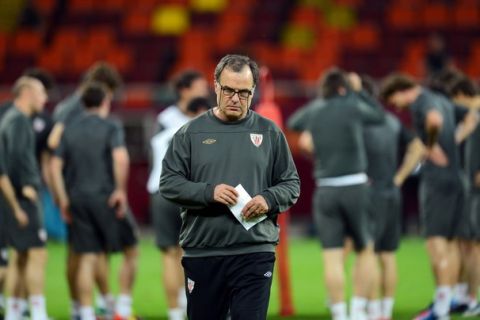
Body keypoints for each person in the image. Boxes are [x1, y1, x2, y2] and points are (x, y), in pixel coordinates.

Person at [160, 54, 300, 320]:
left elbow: (291, 183)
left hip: (255, 251)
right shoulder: (190, 134)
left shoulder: (270, 132)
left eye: (244, 92)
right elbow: (169, 183)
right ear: (215, 86)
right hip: (204, 252)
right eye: (228, 90)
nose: (235, 98)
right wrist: (208, 192)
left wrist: (268, 199)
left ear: (253, 91)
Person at [380, 73, 477, 320]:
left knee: (436, 243)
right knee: (452, 243)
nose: (397, 107)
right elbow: (471, 118)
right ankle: (451, 298)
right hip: (457, 178)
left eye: (394, 101)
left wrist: (432, 146)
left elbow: (433, 121)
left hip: (437, 180)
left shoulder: (422, 102)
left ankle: (441, 309)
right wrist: (454, 142)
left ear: (401, 90)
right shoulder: (441, 99)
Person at [48, 62, 138, 320]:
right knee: (125, 248)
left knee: (85, 253)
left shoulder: (66, 110)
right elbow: (120, 158)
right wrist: (120, 189)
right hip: (104, 192)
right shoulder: (100, 121)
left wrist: (61, 193)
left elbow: (53, 153)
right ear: (103, 90)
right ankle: (114, 307)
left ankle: (86, 309)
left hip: (74, 192)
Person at [296, 69, 384, 320]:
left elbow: (299, 130)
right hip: (357, 185)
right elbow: (378, 116)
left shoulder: (319, 110)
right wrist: (355, 93)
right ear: (346, 89)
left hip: (326, 188)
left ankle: (339, 313)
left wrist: (323, 102)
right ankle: (360, 310)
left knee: (332, 257)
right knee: (366, 250)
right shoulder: (353, 108)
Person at [361, 76, 426, 320]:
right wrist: (400, 176)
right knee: (387, 255)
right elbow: (419, 146)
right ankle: (385, 311)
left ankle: (373, 310)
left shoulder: (362, 123)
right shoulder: (391, 121)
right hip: (391, 192)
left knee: (370, 253)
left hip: (370, 192)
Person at [147, 73, 209, 320]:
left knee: (168, 255)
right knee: (190, 254)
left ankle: (174, 313)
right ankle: (190, 305)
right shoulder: (204, 123)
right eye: (200, 87)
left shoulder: (163, 120)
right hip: (187, 192)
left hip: (160, 190)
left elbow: (153, 154)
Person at [0, 76, 49, 320]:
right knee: (38, 253)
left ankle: (14, 312)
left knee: (20, 257)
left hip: (12, 198)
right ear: (27, 93)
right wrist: (25, 188)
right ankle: (38, 312)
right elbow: (16, 157)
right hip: (21, 197)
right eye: (41, 93)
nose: (45, 98)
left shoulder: (12, 119)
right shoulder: (18, 121)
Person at [448, 76, 480, 316]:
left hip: (475, 191)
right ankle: (466, 296)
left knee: (474, 245)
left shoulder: (476, 115)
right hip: (469, 189)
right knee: (468, 244)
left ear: (461, 94)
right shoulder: (473, 117)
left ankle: (472, 297)